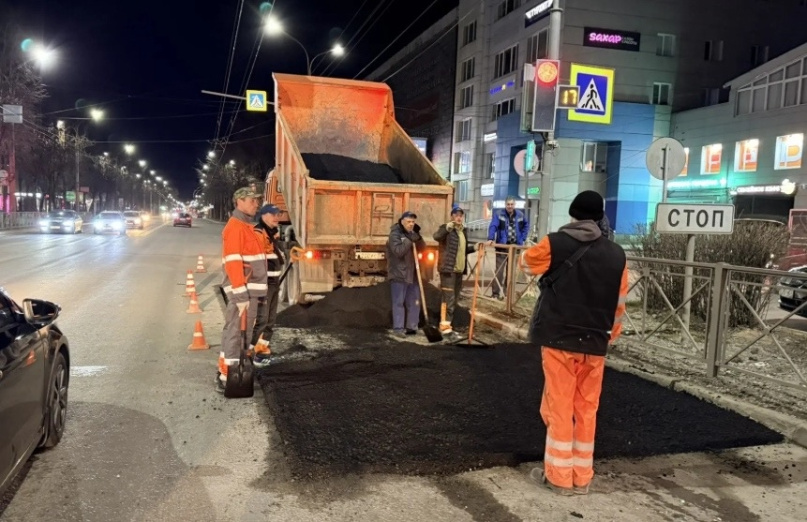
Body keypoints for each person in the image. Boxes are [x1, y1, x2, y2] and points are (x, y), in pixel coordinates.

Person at [517, 190, 628, 495]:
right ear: (599, 217)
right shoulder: (617, 255)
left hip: (559, 339)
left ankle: (558, 476)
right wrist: (609, 337)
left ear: (573, 214)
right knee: (587, 409)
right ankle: (582, 476)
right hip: (595, 344)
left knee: (560, 405)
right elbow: (619, 305)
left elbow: (525, 265)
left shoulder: (556, 243)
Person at [216, 187, 268, 394]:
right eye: (252, 201)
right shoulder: (236, 227)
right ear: (239, 201)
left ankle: (226, 369)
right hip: (243, 291)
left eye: (257, 201)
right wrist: (239, 294)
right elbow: (233, 262)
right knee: (236, 333)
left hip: (249, 291)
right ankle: (228, 375)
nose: (256, 204)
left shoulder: (247, 226)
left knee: (237, 333)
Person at [433, 206, 481, 342]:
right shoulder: (446, 229)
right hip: (448, 271)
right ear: (452, 216)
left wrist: (475, 247)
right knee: (448, 300)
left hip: (459, 271)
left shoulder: (462, 231)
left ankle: (446, 326)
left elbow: (463, 250)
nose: (459, 218)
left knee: (453, 299)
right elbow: (436, 237)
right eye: (456, 215)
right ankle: (445, 329)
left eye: (461, 215)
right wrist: (447, 228)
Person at [251, 203, 285, 367]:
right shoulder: (258, 233)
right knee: (262, 320)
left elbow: (276, 252)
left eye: (278, 215)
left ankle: (262, 352)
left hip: (274, 282)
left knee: (270, 320)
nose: (277, 218)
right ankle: (249, 353)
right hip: (263, 284)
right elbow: (258, 257)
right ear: (264, 216)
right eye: (273, 215)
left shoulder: (273, 233)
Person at [386, 211, 426, 338]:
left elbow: (423, 247)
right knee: (398, 302)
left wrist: (418, 238)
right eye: (408, 222)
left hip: (413, 273)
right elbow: (398, 252)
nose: (411, 224)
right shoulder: (395, 234)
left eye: (413, 222)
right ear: (402, 221)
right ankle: (398, 329)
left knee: (414, 301)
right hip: (399, 273)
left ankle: (412, 326)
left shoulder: (412, 234)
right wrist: (409, 240)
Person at [486, 196, 529, 300]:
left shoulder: (520, 215)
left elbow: (526, 225)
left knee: (511, 272)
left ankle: (507, 295)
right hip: (502, 247)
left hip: (514, 248)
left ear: (514, 205)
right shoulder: (499, 214)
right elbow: (493, 226)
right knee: (499, 271)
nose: (510, 206)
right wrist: (491, 238)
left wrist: (522, 238)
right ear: (505, 205)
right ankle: (495, 294)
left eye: (511, 204)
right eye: (508, 204)